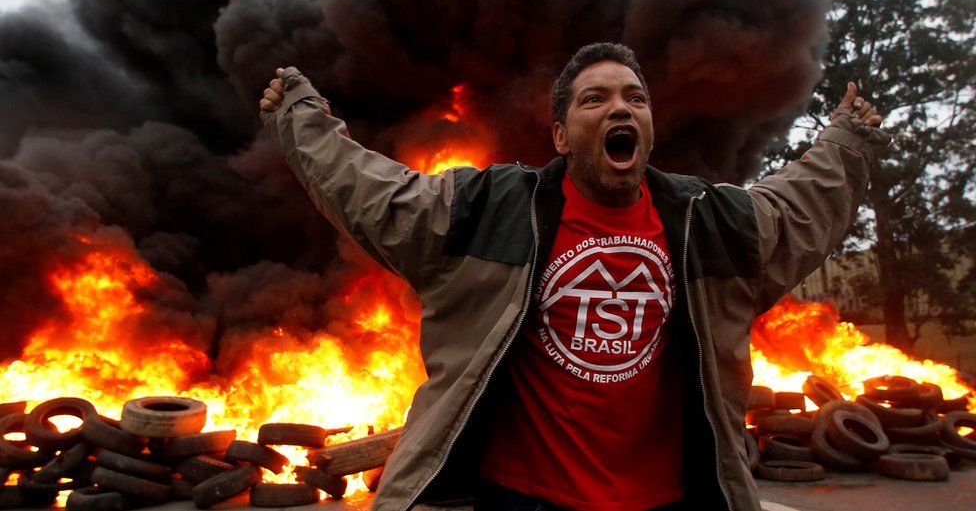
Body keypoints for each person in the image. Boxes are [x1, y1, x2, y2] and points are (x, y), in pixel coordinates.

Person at [259, 43, 888, 511]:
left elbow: (794, 210)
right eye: (596, 99)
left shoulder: (704, 221)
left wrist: (847, 141)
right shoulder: (493, 210)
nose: (620, 107)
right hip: (520, 497)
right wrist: (301, 116)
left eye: (634, 98)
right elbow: (381, 196)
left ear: (648, 128)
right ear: (560, 134)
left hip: (666, 500)